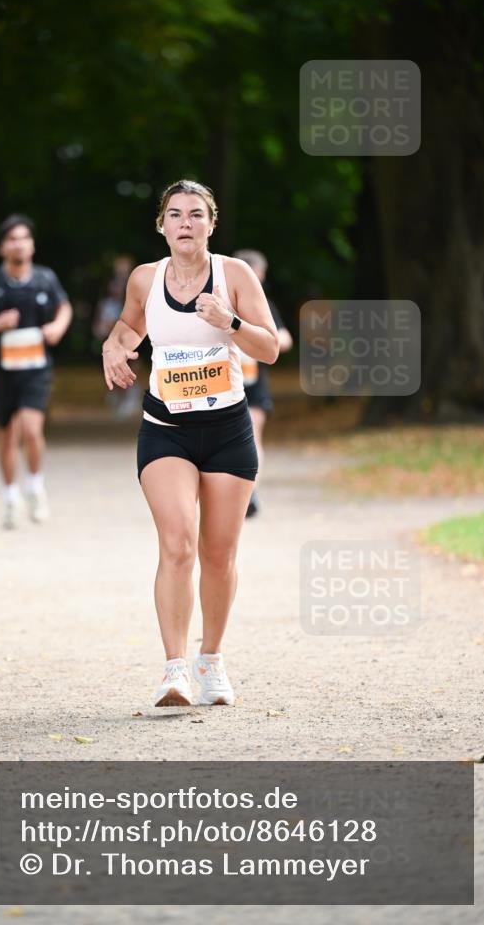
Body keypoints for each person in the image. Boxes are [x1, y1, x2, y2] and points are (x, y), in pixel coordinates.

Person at [101, 180, 279, 707]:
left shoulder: (235, 275)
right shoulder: (145, 279)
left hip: (227, 430)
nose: (185, 222)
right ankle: (174, 669)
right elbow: (127, 330)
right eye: (175, 214)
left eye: (195, 214)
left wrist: (231, 322)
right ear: (161, 225)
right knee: (177, 543)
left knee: (218, 555)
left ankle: (212, 661)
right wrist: (113, 350)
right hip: (166, 430)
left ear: (211, 223)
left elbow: (268, 348)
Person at [0, 214, 72, 529]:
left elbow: (64, 307)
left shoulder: (45, 279)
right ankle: (11, 498)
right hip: (2, 370)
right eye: (12, 239)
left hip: (36, 369)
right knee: (7, 436)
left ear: (32, 245)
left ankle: (36, 486)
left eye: (24, 238)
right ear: (2, 248)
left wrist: (57, 327)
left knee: (32, 430)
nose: (18, 244)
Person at [233, 249, 294, 518]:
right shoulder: (218, 299)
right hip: (220, 380)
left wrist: (262, 343)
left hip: (253, 380)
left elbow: (285, 338)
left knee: (253, 432)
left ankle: (249, 492)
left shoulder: (263, 304)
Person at [92, 254, 140, 419]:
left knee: (129, 365)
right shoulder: (109, 288)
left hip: (129, 330)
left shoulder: (135, 283)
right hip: (111, 333)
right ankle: (120, 395)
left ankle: (129, 395)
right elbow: (101, 313)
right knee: (113, 365)